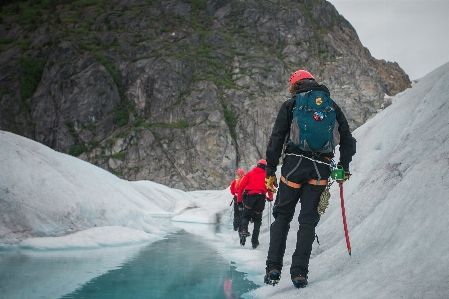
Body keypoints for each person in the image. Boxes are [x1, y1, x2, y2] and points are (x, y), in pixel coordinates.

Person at [263, 70, 357, 288]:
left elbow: (276, 138)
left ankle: (273, 269)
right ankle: (299, 274)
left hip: (294, 165)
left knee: (283, 217)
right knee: (307, 222)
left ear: (295, 85)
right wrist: (343, 167)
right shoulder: (331, 106)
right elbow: (348, 141)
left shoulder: (291, 104)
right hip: (321, 168)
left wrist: (270, 171)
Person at [237, 159, 273, 248]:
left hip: (250, 196)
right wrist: (270, 198)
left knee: (246, 216)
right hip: (261, 197)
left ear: (257, 165)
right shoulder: (267, 175)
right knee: (257, 220)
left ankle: (244, 230)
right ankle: (254, 242)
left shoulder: (250, 173)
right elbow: (270, 188)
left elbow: (241, 187)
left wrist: (239, 200)